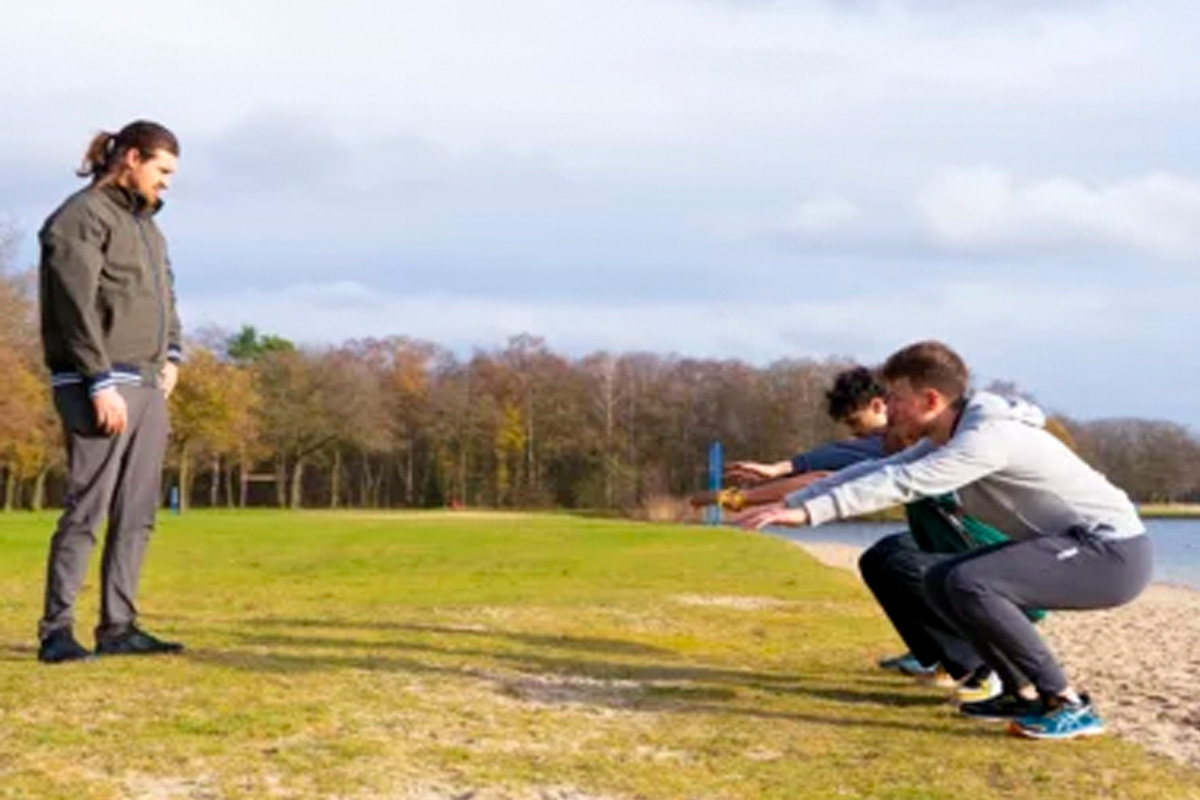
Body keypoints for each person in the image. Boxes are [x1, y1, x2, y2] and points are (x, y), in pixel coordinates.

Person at [741, 341, 1151, 739]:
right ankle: (1020, 693)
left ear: (930, 400)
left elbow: (903, 482)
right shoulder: (950, 435)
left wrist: (810, 513)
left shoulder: (987, 439)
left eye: (896, 397)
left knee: (970, 581)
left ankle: (1067, 705)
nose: (889, 408)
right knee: (942, 578)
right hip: (1073, 545)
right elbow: (878, 470)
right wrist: (793, 502)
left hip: (1111, 553)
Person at [36, 120, 186, 663]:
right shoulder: (79, 218)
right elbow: (73, 306)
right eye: (161, 171)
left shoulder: (148, 226)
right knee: (87, 509)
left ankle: (119, 627)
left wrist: (172, 356)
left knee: (137, 510)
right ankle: (56, 631)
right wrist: (98, 380)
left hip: (148, 383)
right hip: (100, 384)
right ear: (130, 158)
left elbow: (164, 293)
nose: (167, 183)